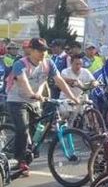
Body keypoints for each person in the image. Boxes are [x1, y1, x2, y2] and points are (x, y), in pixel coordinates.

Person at [5, 38, 79, 174]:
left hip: (35, 101)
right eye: (39, 51)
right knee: (22, 130)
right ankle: (18, 159)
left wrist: (73, 97)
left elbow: (60, 81)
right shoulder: (20, 64)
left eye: (45, 51)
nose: (43, 53)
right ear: (31, 51)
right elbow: (23, 83)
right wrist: (33, 94)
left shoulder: (48, 63)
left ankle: (26, 157)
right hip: (17, 100)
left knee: (36, 131)